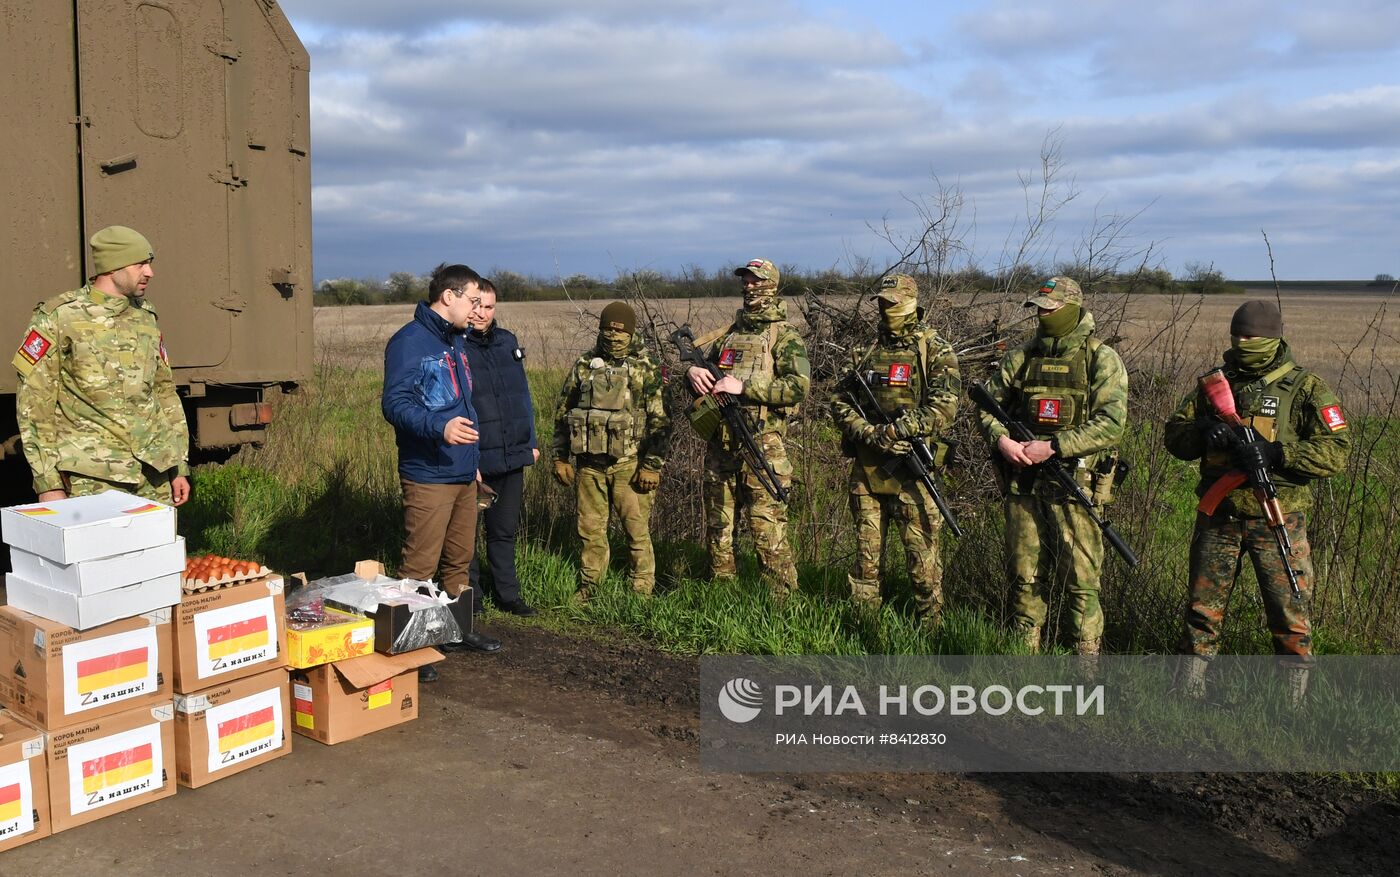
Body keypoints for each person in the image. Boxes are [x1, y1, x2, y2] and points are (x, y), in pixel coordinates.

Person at [1164, 300, 1350, 701]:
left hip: (1278, 516)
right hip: (1220, 516)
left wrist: (1278, 454)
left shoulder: (1306, 387)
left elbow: (1337, 450)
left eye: (1250, 337)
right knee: (1202, 609)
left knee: (1290, 610)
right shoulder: (1213, 385)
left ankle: (1293, 699)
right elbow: (1174, 437)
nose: (1241, 342)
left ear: (1272, 337)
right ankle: (1188, 690)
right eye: (1237, 335)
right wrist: (1204, 432)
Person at [976, 276, 1127, 656]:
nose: (1043, 316)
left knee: (1082, 580)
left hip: (1075, 486)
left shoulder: (1101, 359)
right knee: (1024, 577)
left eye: (1051, 309)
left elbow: (1111, 423)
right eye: (1038, 310)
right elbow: (986, 405)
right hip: (1023, 484)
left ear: (1074, 308)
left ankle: (1085, 664)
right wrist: (1002, 440)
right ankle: (1023, 660)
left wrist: (1055, 447)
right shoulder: (1022, 357)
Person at [14, 225, 191, 505]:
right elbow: (34, 407)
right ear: (113, 267)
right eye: (141, 264)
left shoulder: (145, 317)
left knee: (153, 550)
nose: (149, 272)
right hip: (92, 480)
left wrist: (178, 464)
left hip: (153, 477)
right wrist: (47, 481)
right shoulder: (59, 317)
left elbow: (164, 393)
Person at [382, 263, 501, 679]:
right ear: (448, 297)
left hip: (463, 473)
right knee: (419, 565)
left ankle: (457, 630)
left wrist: (475, 467)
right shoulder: (409, 342)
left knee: (459, 562)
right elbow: (395, 405)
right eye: (471, 300)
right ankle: (409, 649)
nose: (476, 309)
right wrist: (440, 427)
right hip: (428, 474)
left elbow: (460, 405)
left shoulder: (456, 341)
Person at [830, 273, 960, 623]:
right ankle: (863, 628)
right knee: (866, 559)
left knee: (924, 563)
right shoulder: (864, 351)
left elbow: (945, 405)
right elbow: (840, 401)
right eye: (882, 302)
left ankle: (933, 635)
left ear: (911, 302)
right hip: (868, 469)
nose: (886, 308)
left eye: (893, 301)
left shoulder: (934, 349)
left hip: (913, 470)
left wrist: (901, 429)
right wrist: (870, 433)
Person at [685, 259, 809, 599]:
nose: (749, 287)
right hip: (721, 444)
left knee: (767, 530)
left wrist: (744, 388)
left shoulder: (784, 337)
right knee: (719, 527)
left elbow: (797, 388)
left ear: (771, 286)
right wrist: (691, 376)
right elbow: (701, 369)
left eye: (756, 281)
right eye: (746, 281)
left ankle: (783, 607)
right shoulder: (729, 334)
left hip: (762, 446)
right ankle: (722, 600)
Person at [552, 302, 671, 600]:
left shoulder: (646, 366)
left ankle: (641, 591)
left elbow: (660, 419)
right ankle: (590, 588)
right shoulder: (584, 364)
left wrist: (652, 465)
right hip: (589, 465)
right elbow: (564, 412)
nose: (614, 335)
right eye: (608, 329)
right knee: (590, 530)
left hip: (629, 465)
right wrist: (560, 457)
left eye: (621, 331)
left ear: (631, 332)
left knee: (636, 530)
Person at [463, 279, 540, 617]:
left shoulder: (507, 341)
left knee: (503, 531)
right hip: (475, 456)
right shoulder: (454, 344)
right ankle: (471, 597)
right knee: (465, 534)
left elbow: (521, 397)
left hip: (512, 452)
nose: (481, 313)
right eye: (476, 304)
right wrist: (467, 458)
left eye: (489, 307)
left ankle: (508, 595)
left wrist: (531, 443)